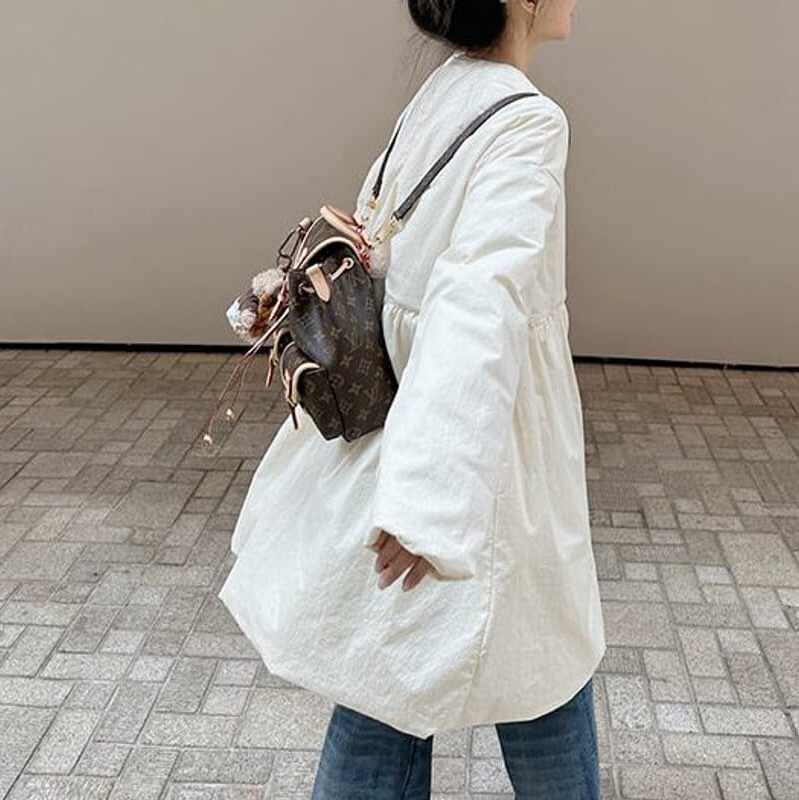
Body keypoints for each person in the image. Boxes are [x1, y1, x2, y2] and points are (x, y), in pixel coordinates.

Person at [218, 0, 606, 797]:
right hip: (483, 437)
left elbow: (387, 251)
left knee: (391, 672)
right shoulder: (530, 121)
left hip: (418, 423)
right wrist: (430, 501)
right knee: (542, 662)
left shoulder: (444, 90)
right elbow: (479, 302)